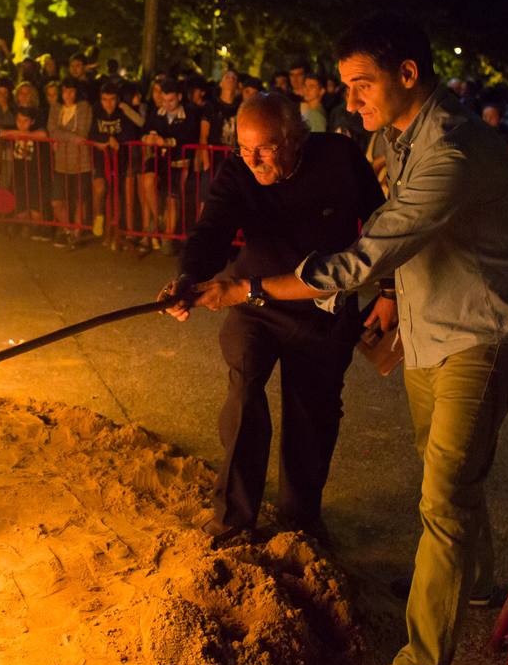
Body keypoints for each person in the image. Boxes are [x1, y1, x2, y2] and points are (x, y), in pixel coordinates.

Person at [190, 15, 508, 665]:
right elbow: (392, 244)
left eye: (361, 84)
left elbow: (363, 253)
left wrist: (251, 290)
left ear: (407, 74)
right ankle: (472, 585)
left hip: (481, 331)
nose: (350, 102)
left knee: (443, 494)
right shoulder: (392, 140)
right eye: (345, 86)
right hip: (429, 328)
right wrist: (393, 305)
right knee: (446, 471)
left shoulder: (451, 149)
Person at [159, 92, 383, 545]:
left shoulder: (339, 158)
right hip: (253, 300)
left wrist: (392, 290)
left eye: (264, 149)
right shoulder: (239, 171)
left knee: (312, 411)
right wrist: (187, 278)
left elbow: (382, 223)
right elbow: (213, 230)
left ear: (294, 137)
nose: (253, 160)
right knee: (244, 394)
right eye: (244, 148)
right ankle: (234, 519)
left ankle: (300, 520)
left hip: (324, 306)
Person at [140, 78, 202, 255]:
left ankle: (167, 239)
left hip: (179, 162)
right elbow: (144, 132)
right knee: (147, 180)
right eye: (164, 100)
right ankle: (159, 218)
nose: (167, 104)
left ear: (179, 97)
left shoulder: (189, 114)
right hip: (159, 159)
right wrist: (149, 138)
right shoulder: (155, 113)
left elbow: (189, 137)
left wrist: (166, 141)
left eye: (171, 100)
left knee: (173, 199)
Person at [46, 77, 95, 246]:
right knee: (57, 201)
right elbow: (51, 130)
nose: (68, 94)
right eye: (65, 90)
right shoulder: (55, 108)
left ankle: (76, 233)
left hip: (81, 161)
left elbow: (83, 132)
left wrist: (62, 135)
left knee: (79, 200)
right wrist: (71, 136)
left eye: (72, 91)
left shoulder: (84, 107)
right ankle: (68, 230)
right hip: (61, 162)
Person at [91, 81, 141, 246]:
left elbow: (131, 133)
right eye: (105, 99)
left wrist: (117, 140)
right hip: (100, 160)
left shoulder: (123, 111)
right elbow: (91, 133)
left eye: (112, 99)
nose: (108, 104)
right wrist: (106, 139)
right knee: (100, 188)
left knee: (117, 197)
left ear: (117, 99)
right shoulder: (96, 110)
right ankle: (99, 217)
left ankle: (114, 232)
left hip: (120, 160)